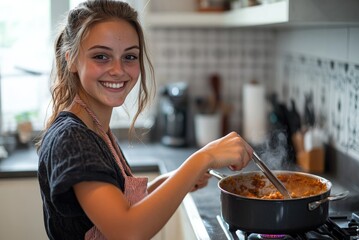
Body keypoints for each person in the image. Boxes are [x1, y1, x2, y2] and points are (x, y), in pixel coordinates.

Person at [36, 1, 253, 239]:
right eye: (101, 56)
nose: (118, 70)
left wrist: (180, 178)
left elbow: (118, 208)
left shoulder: (94, 127)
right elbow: (127, 230)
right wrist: (204, 157)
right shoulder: (73, 138)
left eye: (129, 56)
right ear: (72, 59)